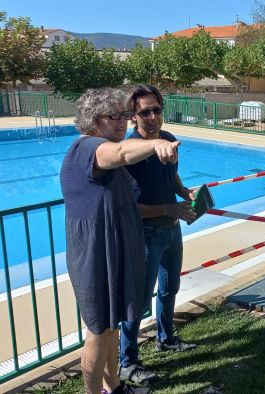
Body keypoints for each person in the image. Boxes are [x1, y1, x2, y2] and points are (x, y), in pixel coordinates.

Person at [60, 87, 180, 394]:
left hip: (118, 250)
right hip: (97, 253)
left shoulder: (106, 147)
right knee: (99, 331)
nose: (121, 122)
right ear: (92, 119)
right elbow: (122, 153)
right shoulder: (87, 147)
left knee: (112, 327)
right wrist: (155, 144)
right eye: (113, 116)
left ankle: (113, 387)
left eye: (124, 115)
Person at [119, 85, 197, 385]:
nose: (152, 116)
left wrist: (183, 191)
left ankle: (165, 338)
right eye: (145, 112)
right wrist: (169, 208)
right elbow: (130, 208)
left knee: (169, 288)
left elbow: (171, 175)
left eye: (157, 110)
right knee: (138, 301)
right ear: (133, 117)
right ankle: (128, 362)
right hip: (148, 233)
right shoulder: (128, 152)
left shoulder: (167, 141)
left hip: (171, 230)